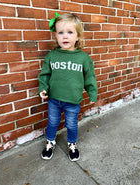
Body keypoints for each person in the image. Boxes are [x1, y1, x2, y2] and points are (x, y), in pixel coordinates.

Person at [38, 13, 98, 162]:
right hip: (53, 99)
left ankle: (72, 144)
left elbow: (90, 77)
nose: (65, 36)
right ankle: (50, 142)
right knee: (52, 122)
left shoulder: (83, 58)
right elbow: (45, 74)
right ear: (56, 36)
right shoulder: (52, 55)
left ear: (78, 36)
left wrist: (92, 93)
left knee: (71, 124)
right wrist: (43, 88)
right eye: (61, 32)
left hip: (73, 99)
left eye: (70, 32)